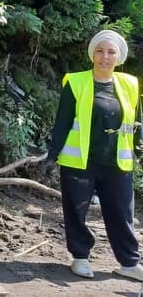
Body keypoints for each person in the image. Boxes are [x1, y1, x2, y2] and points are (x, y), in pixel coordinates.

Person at [46, 30, 143, 281]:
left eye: (111, 52)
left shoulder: (130, 84)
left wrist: (140, 151)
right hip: (80, 162)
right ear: (92, 54)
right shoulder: (76, 82)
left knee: (122, 213)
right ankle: (80, 257)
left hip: (117, 162)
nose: (105, 57)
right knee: (76, 212)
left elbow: (136, 123)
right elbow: (63, 121)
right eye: (100, 51)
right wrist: (52, 155)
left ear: (119, 56)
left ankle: (129, 263)